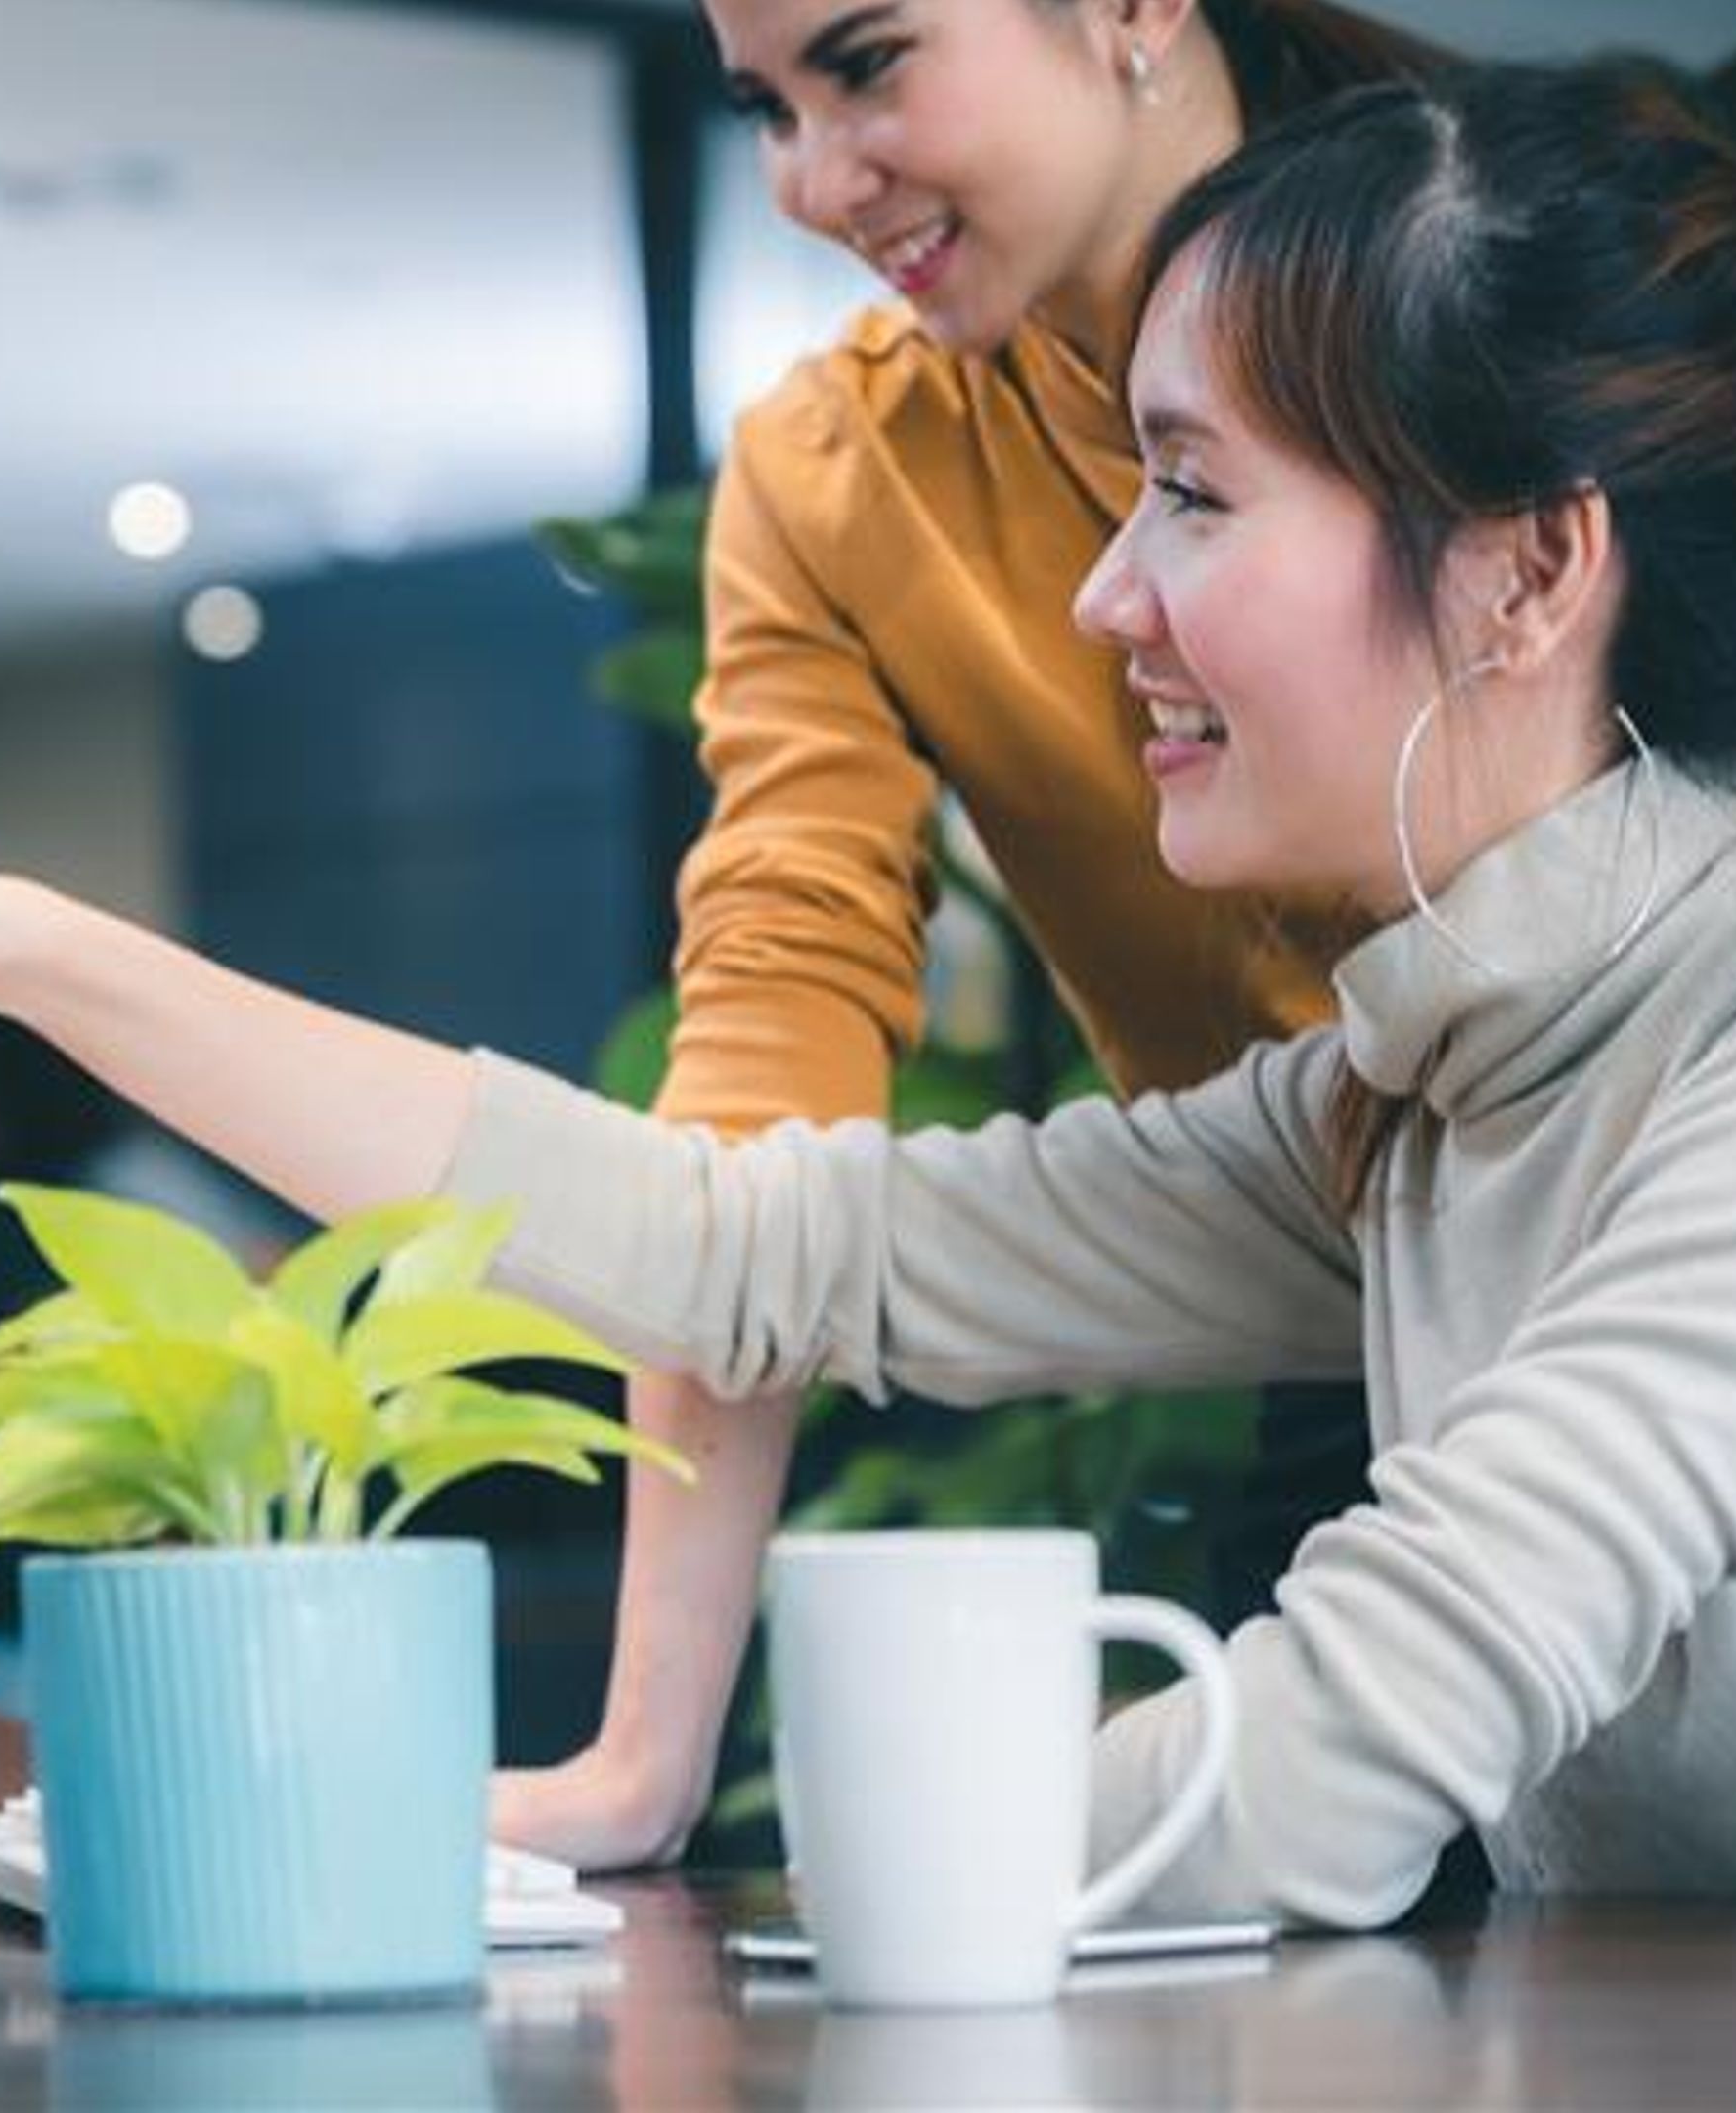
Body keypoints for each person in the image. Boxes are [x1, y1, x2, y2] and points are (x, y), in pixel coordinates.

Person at [0, 64, 1736, 1923]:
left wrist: (783, 1911)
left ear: (1525, 573)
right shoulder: (1420, 1091)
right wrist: (23, 950)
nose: (1102, 603)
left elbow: (1366, 1732)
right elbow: (748, 1253)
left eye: (1197, 495)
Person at [539, 0, 1453, 1874]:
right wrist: (646, 1754)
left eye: (866, 65)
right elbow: (769, 1064)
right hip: (1336, 1346)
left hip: (1694, 1279)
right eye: (761, 108)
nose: (808, 179)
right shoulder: (838, 474)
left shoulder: (1491, 285)